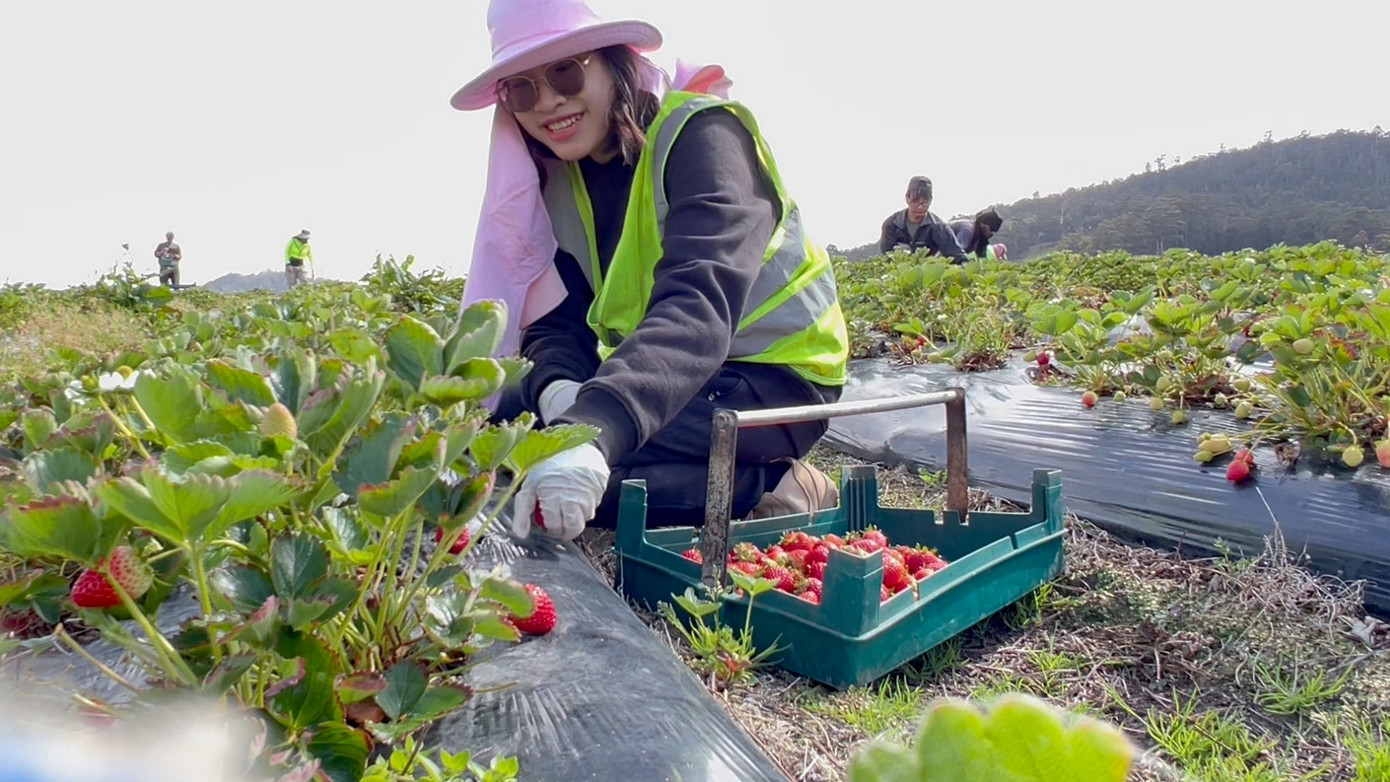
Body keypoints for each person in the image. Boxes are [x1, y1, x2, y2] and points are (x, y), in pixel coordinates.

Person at [453, 0, 850, 540]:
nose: (548, 102)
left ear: (612, 60)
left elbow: (698, 306)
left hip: (768, 380)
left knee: (582, 475)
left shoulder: (703, 138)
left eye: (565, 72)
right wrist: (559, 391)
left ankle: (775, 485)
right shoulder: (555, 179)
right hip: (670, 373)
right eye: (522, 89)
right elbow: (556, 323)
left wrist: (593, 429)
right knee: (504, 432)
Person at [877, 177, 969, 263]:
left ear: (931, 201)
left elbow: (957, 255)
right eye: (915, 200)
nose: (920, 206)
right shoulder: (891, 224)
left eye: (925, 201)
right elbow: (886, 256)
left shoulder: (939, 227)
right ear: (907, 199)